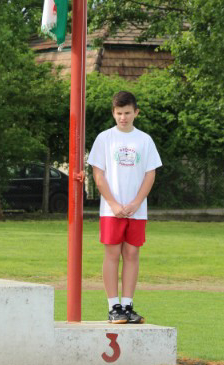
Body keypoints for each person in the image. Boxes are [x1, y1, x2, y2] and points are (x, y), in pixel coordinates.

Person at [87, 91, 162, 324]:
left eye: (127, 113)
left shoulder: (145, 140)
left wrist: (136, 202)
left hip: (136, 210)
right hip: (111, 210)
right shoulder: (104, 138)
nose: (123, 117)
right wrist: (112, 203)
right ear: (113, 113)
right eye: (119, 113)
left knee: (132, 254)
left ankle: (128, 306)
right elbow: (98, 174)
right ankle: (114, 307)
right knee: (112, 254)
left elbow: (150, 174)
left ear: (136, 112)